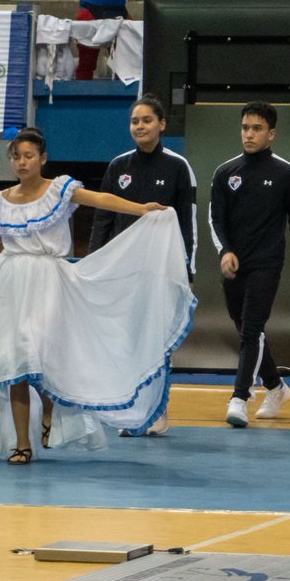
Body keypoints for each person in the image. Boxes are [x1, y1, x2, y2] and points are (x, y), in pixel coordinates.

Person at [0, 127, 195, 464]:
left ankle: (50, 410)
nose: (22, 162)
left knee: (42, 353)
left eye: (29, 156)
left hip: (47, 282)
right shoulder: (2, 200)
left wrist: (140, 209)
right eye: (16, 157)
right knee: (15, 363)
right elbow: (3, 247)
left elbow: (101, 199)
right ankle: (22, 443)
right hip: (11, 286)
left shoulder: (59, 190)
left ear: (43, 158)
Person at [89, 95, 198, 436]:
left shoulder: (178, 166)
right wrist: (93, 264)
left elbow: (188, 223)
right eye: (135, 121)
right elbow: (103, 220)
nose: (140, 126)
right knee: (127, 340)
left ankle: (157, 411)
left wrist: (188, 271)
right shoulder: (117, 166)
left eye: (147, 120)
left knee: (157, 340)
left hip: (162, 270)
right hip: (123, 272)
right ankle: (132, 411)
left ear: (162, 124)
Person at [210, 102, 290, 428]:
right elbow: (216, 220)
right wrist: (225, 251)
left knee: (252, 330)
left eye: (257, 128)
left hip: (267, 263)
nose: (249, 134)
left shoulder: (287, 173)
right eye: (245, 127)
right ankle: (276, 387)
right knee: (245, 329)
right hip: (234, 264)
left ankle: (239, 398)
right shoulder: (225, 173)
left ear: (271, 134)